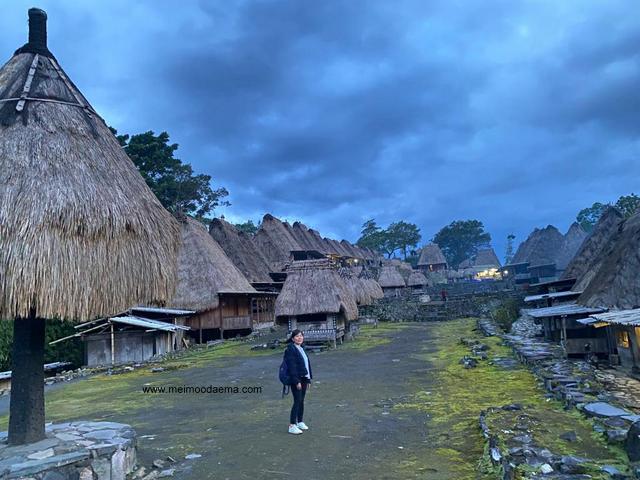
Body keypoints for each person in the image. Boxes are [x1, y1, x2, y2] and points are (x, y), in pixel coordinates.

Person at [284, 329, 312, 435]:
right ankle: (292, 425)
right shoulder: (290, 349)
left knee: (301, 400)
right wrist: (296, 381)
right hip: (296, 379)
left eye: (301, 336)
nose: (299, 338)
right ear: (292, 339)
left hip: (304, 378)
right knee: (297, 400)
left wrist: (308, 379)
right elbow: (292, 367)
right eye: (297, 336)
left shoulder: (301, 348)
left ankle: (299, 421)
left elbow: (306, 366)